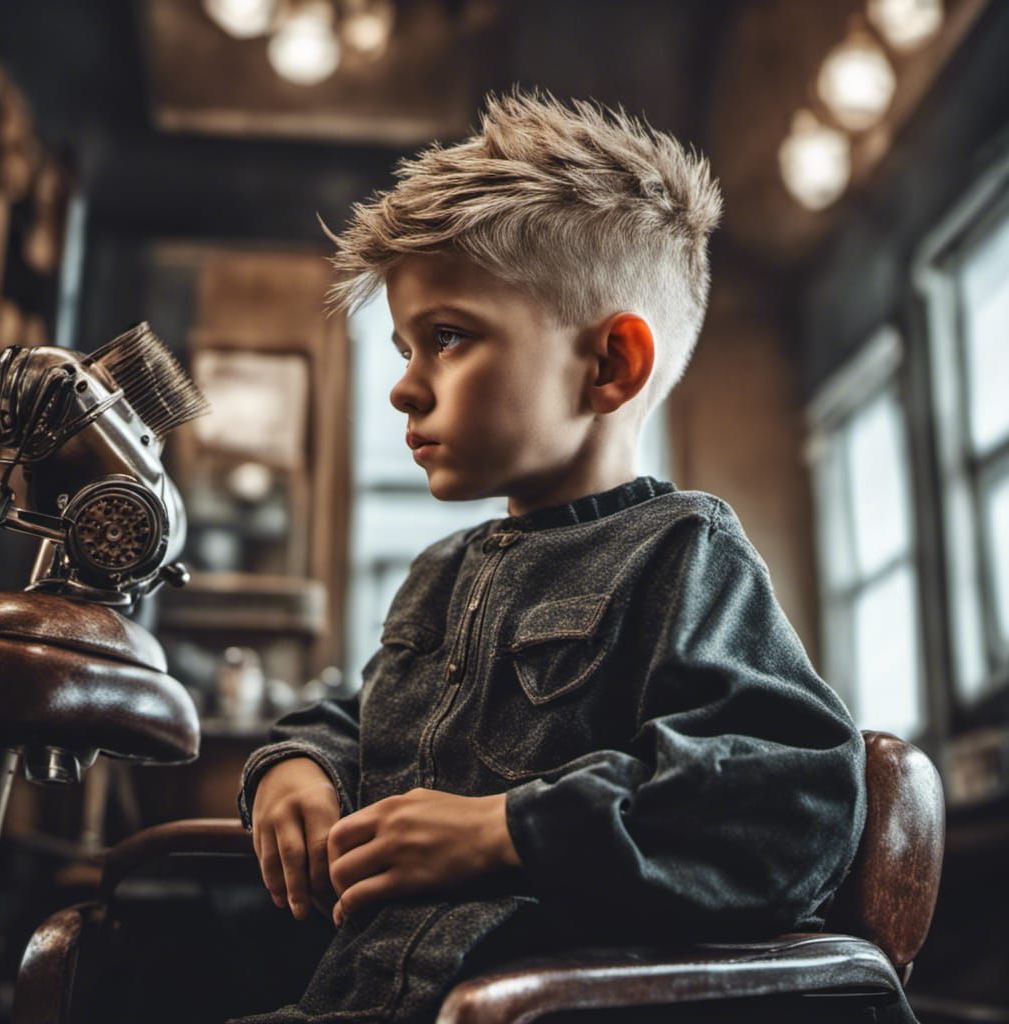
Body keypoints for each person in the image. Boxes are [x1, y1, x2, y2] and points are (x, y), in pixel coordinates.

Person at [227, 88, 891, 1024]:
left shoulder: (681, 552)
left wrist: (508, 831)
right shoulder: (440, 576)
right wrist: (300, 763)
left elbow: (791, 799)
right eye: (406, 349)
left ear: (610, 365)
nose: (404, 391)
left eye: (448, 339)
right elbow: (368, 717)